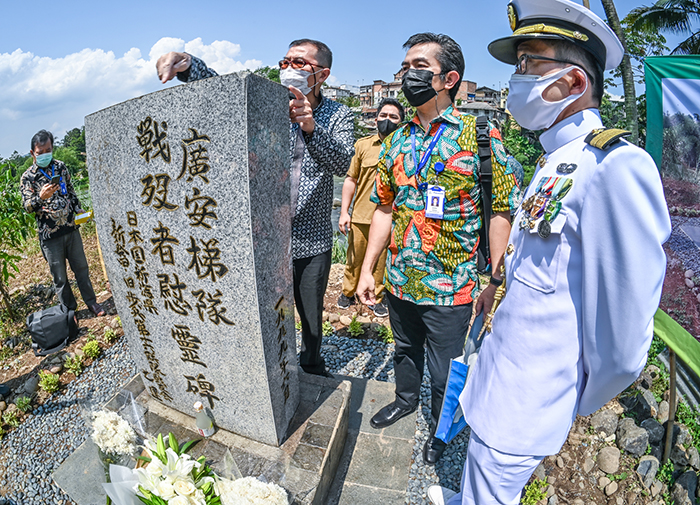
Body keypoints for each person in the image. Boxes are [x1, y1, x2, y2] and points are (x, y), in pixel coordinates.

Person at [427, 1, 671, 503]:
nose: (517, 78)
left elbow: (624, 342)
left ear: (576, 83)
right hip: (501, 375)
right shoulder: (557, 159)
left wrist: (568, 396)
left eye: (529, 64)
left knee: (493, 487)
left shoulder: (614, 166)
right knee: (478, 476)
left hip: (530, 395)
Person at [356, 33, 520, 465]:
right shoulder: (395, 139)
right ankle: (406, 400)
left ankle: (443, 426)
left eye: (418, 66)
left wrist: (496, 282)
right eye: (404, 66)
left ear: (448, 78)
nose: (407, 75)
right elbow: (385, 209)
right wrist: (368, 269)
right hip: (400, 277)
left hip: (452, 286)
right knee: (405, 349)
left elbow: (499, 212)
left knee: (447, 368)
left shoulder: (480, 135)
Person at [156, 39, 354, 378]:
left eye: (301, 63)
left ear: (323, 73)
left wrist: (310, 127)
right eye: (286, 61)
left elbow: (341, 163)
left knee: (310, 314)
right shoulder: (267, 103)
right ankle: (274, 372)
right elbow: (225, 90)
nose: (289, 68)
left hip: (311, 236)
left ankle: (311, 366)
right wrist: (187, 63)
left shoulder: (338, 115)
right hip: (265, 234)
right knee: (267, 309)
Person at [20, 130, 105, 317]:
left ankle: (92, 303)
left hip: (71, 229)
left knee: (82, 268)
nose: (45, 154)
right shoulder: (28, 177)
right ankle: (69, 311)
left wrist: (79, 209)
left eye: (48, 149)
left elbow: (72, 193)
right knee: (60, 277)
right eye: (40, 151)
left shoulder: (60, 167)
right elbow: (27, 206)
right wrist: (40, 197)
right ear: (32, 153)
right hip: (50, 236)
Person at [337, 98, 405, 318]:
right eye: (384, 116)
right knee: (354, 258)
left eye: (393, 117)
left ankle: (375, 296)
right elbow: (350, 180)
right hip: (361, 216)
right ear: (376, 119)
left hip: (390, 217)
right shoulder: (363, 145)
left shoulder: (404, 147)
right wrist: (344, 212)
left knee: (380, 261)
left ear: (401, 122)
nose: (387, 120)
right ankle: (348, 292)